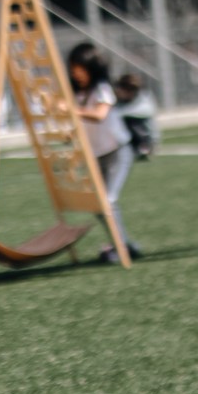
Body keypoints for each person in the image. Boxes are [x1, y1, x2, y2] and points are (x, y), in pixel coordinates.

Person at [66, 42, 140, 264]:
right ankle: (125, 244)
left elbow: (99, 115)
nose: (75, 74)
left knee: (108, 200)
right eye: (73, 69)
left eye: (80, 69)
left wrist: (71, 110)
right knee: (98, 205)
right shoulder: (77, 94)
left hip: (118, 151)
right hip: (97, 155)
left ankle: (122, 249)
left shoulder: (102, 90)